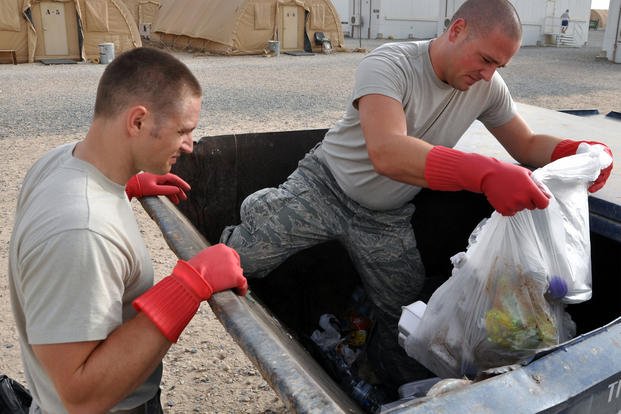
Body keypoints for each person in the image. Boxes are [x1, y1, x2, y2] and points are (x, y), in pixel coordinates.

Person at [220, 0, 613, 395]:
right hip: (324, 187)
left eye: (499, 67)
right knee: (244, 257)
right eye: (485, 59)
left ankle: (390, 387)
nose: (488, 74)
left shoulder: (486, 87)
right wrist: (484, 173)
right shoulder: (390, 64)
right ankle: (265, 209)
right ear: (457, 30)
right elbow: (387, 151)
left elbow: (525, 142)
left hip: (385, 217)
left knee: (405, 314)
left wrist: (576, 151)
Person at [8, 47, 248, 413]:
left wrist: (124, 185)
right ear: (137, 122)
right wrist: (189, 285)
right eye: (183, 130)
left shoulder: (60, 161)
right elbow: (81, 395)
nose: (189, 145)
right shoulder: (81, 229)